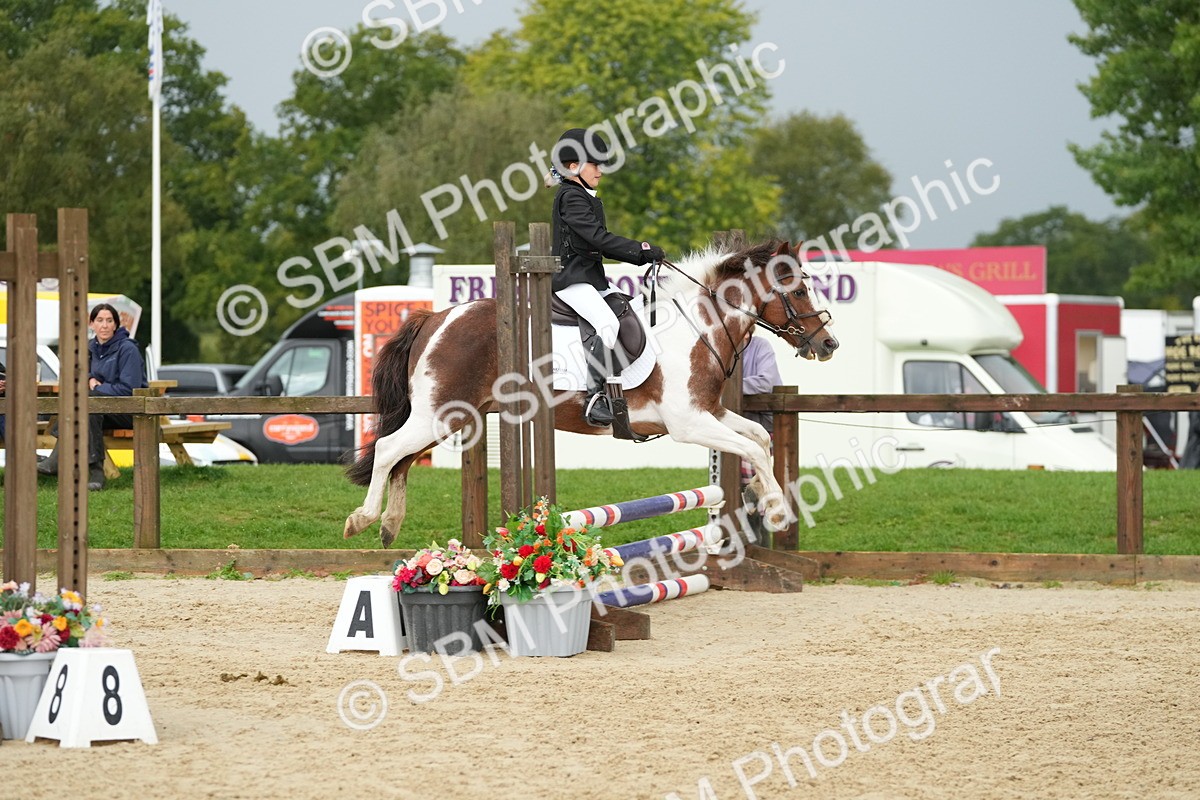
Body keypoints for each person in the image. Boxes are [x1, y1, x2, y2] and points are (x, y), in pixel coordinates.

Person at [548, 127, 666, 427]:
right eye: (595, 164)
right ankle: (594, 397)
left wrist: (643, 254)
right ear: (573, 167)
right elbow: (599, 239)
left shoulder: (584, 196)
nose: (600, 171)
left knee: (629, 311)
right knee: (607, 323)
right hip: (571, 280)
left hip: (592, 280)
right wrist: (640, 251)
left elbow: (597, 244)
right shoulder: (571, 198)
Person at [37, 303, 146, 490]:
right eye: (100, 320)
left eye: (109, 321)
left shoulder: (128, 349)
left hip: (129, 410)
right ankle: (96, 472)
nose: (104, 325)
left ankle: (57, 461)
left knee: (87, 405)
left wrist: (99, 388)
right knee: (87, 409)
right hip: (96, 410)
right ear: (92, 324)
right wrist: (89, 379)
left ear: (116, 325)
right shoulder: (89, 348)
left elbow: (130, 389)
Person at [739, 328, 783, 490]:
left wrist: (726, 387)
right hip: (735, 427)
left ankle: (757, 513)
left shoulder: (760, 346)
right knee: (733, 483)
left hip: (764, 428)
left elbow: (766, 383)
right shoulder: (721, 346)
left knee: (756, 484)